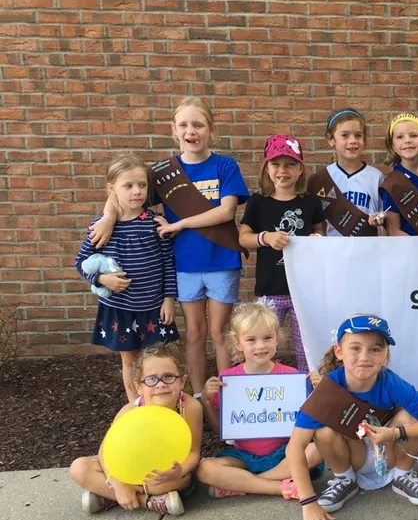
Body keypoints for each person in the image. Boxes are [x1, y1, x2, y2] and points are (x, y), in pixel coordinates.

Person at [90, 97, 249, 392]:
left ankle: (231, 396)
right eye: (185, 125)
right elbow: (121, 194)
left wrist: (179, 224)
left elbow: (227, 211)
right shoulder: (162, 173)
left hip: (221, 260)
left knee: (221, 332)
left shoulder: (225, 165)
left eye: (199, 124)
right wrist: (108, 219)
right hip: (184, 264)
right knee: (195, 333)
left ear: (210, 129)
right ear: (174, 130)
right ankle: (200, 394)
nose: (192, 131)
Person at [285, 315, 418, 520]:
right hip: (355, 458)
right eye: (355, 348)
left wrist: (395, 432)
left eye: (375, 349)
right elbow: (295, 447)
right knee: (323, 430)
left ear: (385, 355)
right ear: (339, 352)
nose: (365, 357)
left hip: (390, 454)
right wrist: (308, 501)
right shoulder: (328, 390)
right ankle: (345, 480)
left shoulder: (390, 382)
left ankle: (403, 476)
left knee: (409, 417)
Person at [75, 155, 179, 402]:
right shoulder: (101, 227)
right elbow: (80, 263)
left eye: (142, 185)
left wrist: (168, 299)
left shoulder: (154, 224)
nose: (137, 192)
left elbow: (168, 263)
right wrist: (101, 279)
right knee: (129, 359)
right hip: (119, 309)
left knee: (159, 359)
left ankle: (163, 402)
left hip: (153, 308)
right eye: (128, 186)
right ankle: (136, 405)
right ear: (112, 189)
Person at [197, 303, 325, 499]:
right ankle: (279, 487)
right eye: (251, 340)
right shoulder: (229, 379)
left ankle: (243, 484)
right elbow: (219, 428)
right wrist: (206, 400)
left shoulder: (292, 377)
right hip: (244, 457)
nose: (260, 346)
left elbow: (309, 425)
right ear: (238, 343)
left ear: (277, 339)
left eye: (267, 338)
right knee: (205, 468)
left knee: (316, 449)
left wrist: (318, 392)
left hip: (286, 454)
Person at [70, 343, 202, 516]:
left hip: (165, 476)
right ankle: (147, 502)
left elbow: (193, 452)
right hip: (128, 471)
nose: (160, 384)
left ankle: (108, 496)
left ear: (182, 381)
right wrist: (117, 483)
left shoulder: (190, 407)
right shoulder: (129, 411)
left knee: (172, 482)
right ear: (139, 387)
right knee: (78, 468)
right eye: (151, 379)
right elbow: (105, 452)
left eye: (168, 377)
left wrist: (181, 470)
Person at [238, 135, 325, 372]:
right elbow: (243, 237)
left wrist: (317, 241)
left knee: (306, 346)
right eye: (276, 164)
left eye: (290, 164)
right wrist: (266, 237)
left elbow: (319, 232)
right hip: (269, 289)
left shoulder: (310, 203)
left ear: (300, 169)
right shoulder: (258, 202)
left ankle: (310, 391)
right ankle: (263, 385)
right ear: (267, 168)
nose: (283, 171)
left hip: (303, 290)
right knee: (261, 343)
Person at [310, 108, 388, 236]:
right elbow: (315, 225)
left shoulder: (375, 177)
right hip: (333, 252)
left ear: (364, 139)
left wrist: (378, 220)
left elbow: (385, 219)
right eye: (345, 135)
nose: (352, 141)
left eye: (358, 135)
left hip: (367, 250)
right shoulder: (320, 180)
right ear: (331, 139)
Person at [381, 113, 418, 236]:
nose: (407, 140)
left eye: (414, 135)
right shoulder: (393, 184)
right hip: (410, 249)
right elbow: (394, 231)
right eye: (400, 137)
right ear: (393, 146)